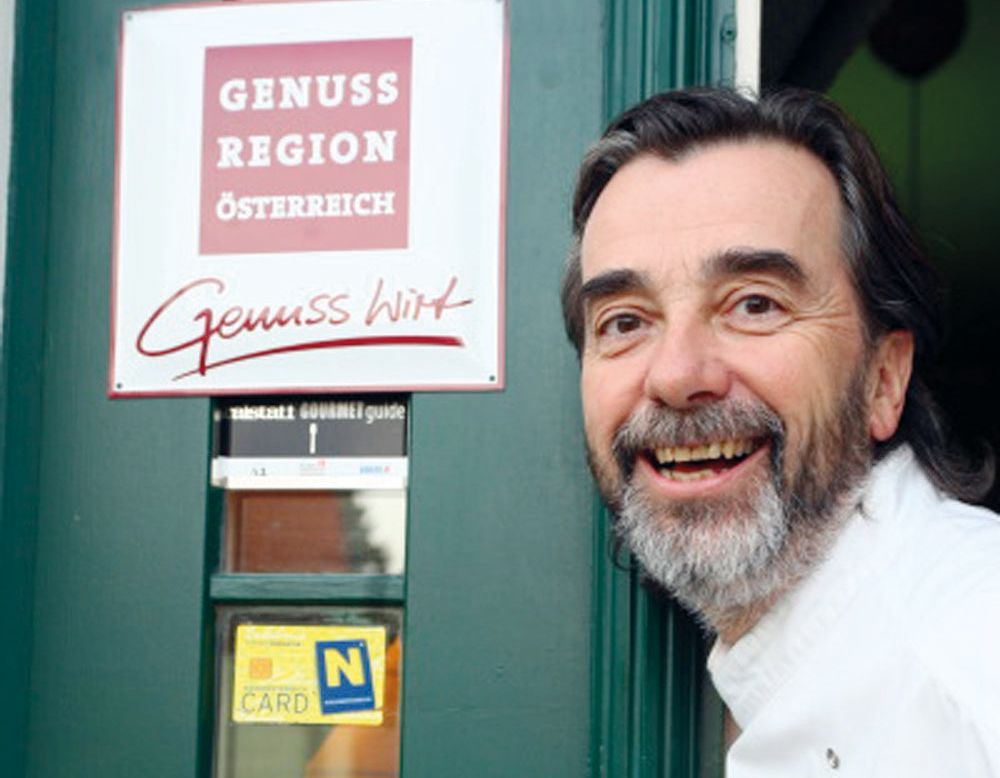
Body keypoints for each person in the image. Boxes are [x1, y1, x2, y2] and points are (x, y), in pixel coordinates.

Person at [561, 87, 1000, 775]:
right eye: (625, 321)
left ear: (883, 380)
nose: (676, 375)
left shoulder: (976, 649)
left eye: (755, 305)